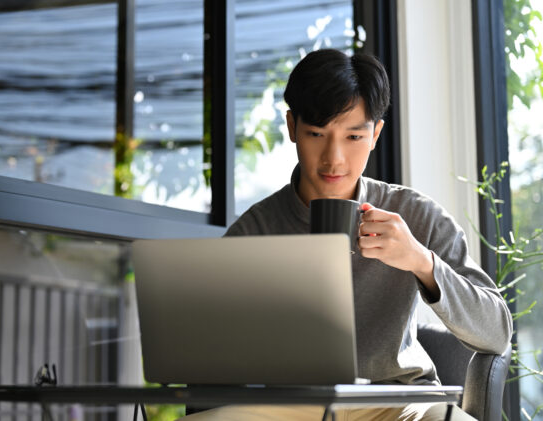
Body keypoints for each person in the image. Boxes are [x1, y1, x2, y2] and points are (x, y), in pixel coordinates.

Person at [182, 49, 512, 421]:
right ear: (292, 127)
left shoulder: (416, 215)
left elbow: (496, 333)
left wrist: (421, 262)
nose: (334, 158)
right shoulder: (255, 231)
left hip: (397, 402)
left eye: (354, 136)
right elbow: (206, 360)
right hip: (288, 407)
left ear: (375, 134)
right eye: (316, 134)